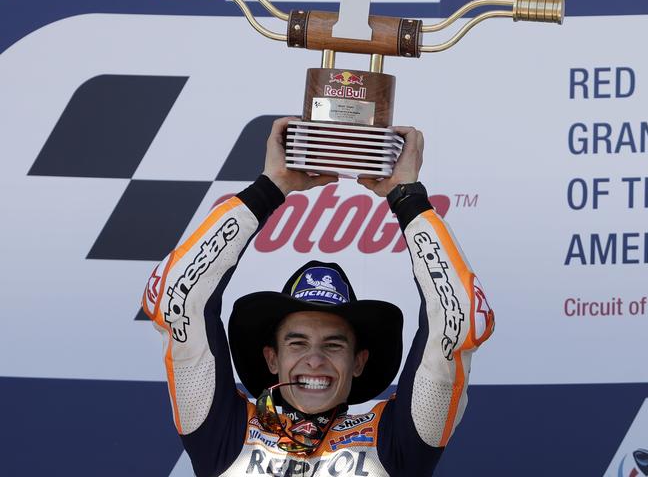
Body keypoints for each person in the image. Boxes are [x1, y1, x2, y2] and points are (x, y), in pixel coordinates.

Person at [142, 117, 495, 476]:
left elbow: (459, 320)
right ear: (271, 358)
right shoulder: (221, 433)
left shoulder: (396, 443)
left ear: (358, 362)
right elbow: (178, 300)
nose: (314, 360)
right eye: (297, 343)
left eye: (333, 345)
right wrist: (270, 188)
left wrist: (407, 198)